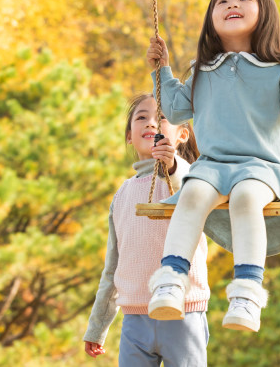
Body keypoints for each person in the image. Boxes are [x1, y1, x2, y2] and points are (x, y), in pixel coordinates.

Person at [145, 0, 280, 333]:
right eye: (222, 2)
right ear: (211, 19)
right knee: (193, 192)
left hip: (262, 167)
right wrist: (162, 69)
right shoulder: (203, 71)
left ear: (264, 14)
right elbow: (176, 109)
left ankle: (246, 293)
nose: (232, 5)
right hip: (213, 167)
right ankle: (170, 278)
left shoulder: (278, 69)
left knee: (246, 198)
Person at [83, 94, 210, 365]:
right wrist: (97, 326)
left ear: (182, 135)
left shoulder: (189, 174)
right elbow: (112, 267)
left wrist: (172, 164)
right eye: (142, 117)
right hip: (135, 320)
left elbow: (188, 187)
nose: (151, 123)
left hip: (183, 312)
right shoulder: (123, 194)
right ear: (130, 136)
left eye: (162, 118)